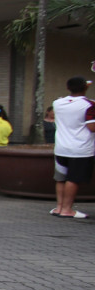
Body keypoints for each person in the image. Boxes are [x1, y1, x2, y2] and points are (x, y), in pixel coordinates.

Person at [50, 76, 95, 219]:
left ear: (68, 87)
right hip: (80, 149)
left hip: (61, 147)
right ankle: (67, 210)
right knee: (73, 179)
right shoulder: (89, 105)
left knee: (61, 178)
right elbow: (92, 127)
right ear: (86, 88)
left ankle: (59, 207)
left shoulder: (57, 103)